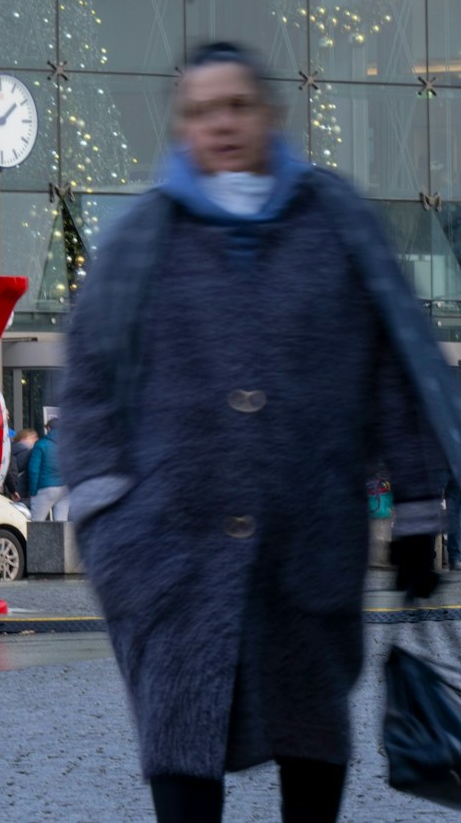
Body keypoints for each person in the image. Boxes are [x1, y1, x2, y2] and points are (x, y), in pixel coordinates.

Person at [60, 41, 457, 823]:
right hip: (170, 559)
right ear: (182, 125)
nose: (222, 123)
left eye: (236, 105)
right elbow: (88, 386)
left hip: (307, 552)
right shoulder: (144, 238)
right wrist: (108, 515)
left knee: (311, 753)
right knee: (182, 756)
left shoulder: (332, 220)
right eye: (202, 110)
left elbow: (392, 367)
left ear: (269, 113)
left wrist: (417, 512)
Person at [27, 419, 67, 521]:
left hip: (46, 486)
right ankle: (62, 538)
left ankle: (36, 538)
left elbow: (33, 469)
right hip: (66, 488)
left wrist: (33, 491)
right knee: (61, 523)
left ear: (48, 428)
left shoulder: (41, 444)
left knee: (37, 522)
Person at [6, 428, 38, 500]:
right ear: (23, 438)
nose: (35, 440)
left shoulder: (10, 448)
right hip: (18, 488)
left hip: (10, 487)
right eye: (32, 438)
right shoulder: (27, 452)